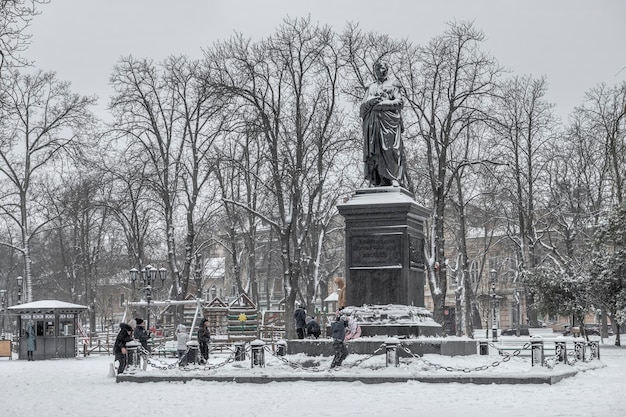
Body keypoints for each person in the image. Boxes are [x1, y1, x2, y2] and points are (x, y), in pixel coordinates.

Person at [360, 60, 405, 187]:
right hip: (373, 123)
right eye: (377, 69)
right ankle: (379, 179)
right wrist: (371, 102)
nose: (379, 71)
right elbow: (362, 109)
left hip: (389, 122)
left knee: (390, 149)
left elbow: (400, 103)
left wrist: (382, 104)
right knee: (376, 150)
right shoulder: (371, 87)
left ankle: (392, 178)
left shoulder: (393, 84)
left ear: (386, 70)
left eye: (382, 68)